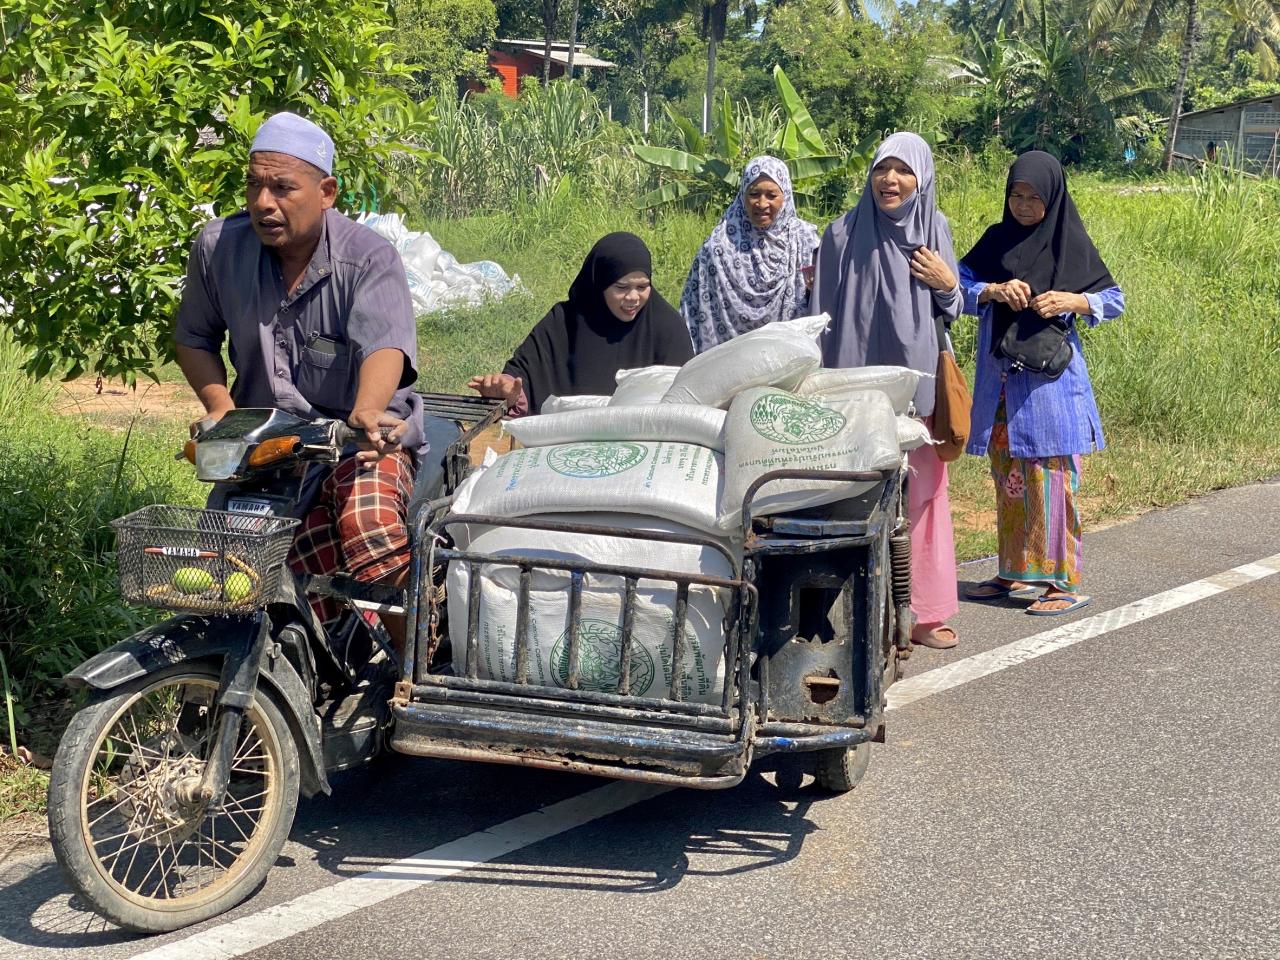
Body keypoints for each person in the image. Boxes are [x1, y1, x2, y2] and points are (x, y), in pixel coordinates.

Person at [173, 112, 421, 652]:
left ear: (326, 191)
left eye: (282, 188)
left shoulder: (368, 258)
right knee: (226, 572)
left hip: (360, 440)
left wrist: (366, 409)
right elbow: (193, 337)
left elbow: (386, 346)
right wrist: (219, 406)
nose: (264, 202)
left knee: (369, 529)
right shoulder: (219, 247)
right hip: (267, 443)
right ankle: (219, 695)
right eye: (254, 184)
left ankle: (415, 669)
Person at [812, 132, 963, 650]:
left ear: (921, 178)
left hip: (917, 393)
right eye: (882, 169)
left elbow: (953, 309)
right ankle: (860, 616)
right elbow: (822, 319)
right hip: (852, 392)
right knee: (853, 497)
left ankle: (924, 612)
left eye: (902, 170)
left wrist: (947, 282)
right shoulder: (840, 234)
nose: (890, 180)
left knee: (921, 499)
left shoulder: (933, 227)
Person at [959, 150, 1124, 615]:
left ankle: (1063, 582)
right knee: (1010, 479)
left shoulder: (1068, 243)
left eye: (1034, 197)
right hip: (1001, 386)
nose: (1024, 206)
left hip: (1049, 390)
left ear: (1053, 199)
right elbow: (957, 285)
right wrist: (991, 290)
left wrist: (1073, 300)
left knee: (1051, 481)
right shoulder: (996, 240)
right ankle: (1013, 573)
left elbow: (1115, 299)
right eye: (1016, 195)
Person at [469, 232, 694, 414]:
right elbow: (523, 376)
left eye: (642, 287)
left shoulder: (667, 328)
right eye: (622, 287)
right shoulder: (564, 323)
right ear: (599, 284)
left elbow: (686, 394)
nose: (633, 297)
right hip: (566, 449)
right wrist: (509, 392)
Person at [679, 155, 820, 351]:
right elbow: (696, 308)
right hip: (728, 362)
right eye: (754, 194)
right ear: (742, 195)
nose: (762, 204)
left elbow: (823, 298)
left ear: (785, 196)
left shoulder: (805, 240)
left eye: (771, 196)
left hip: (788, 356)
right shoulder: (718, 245)